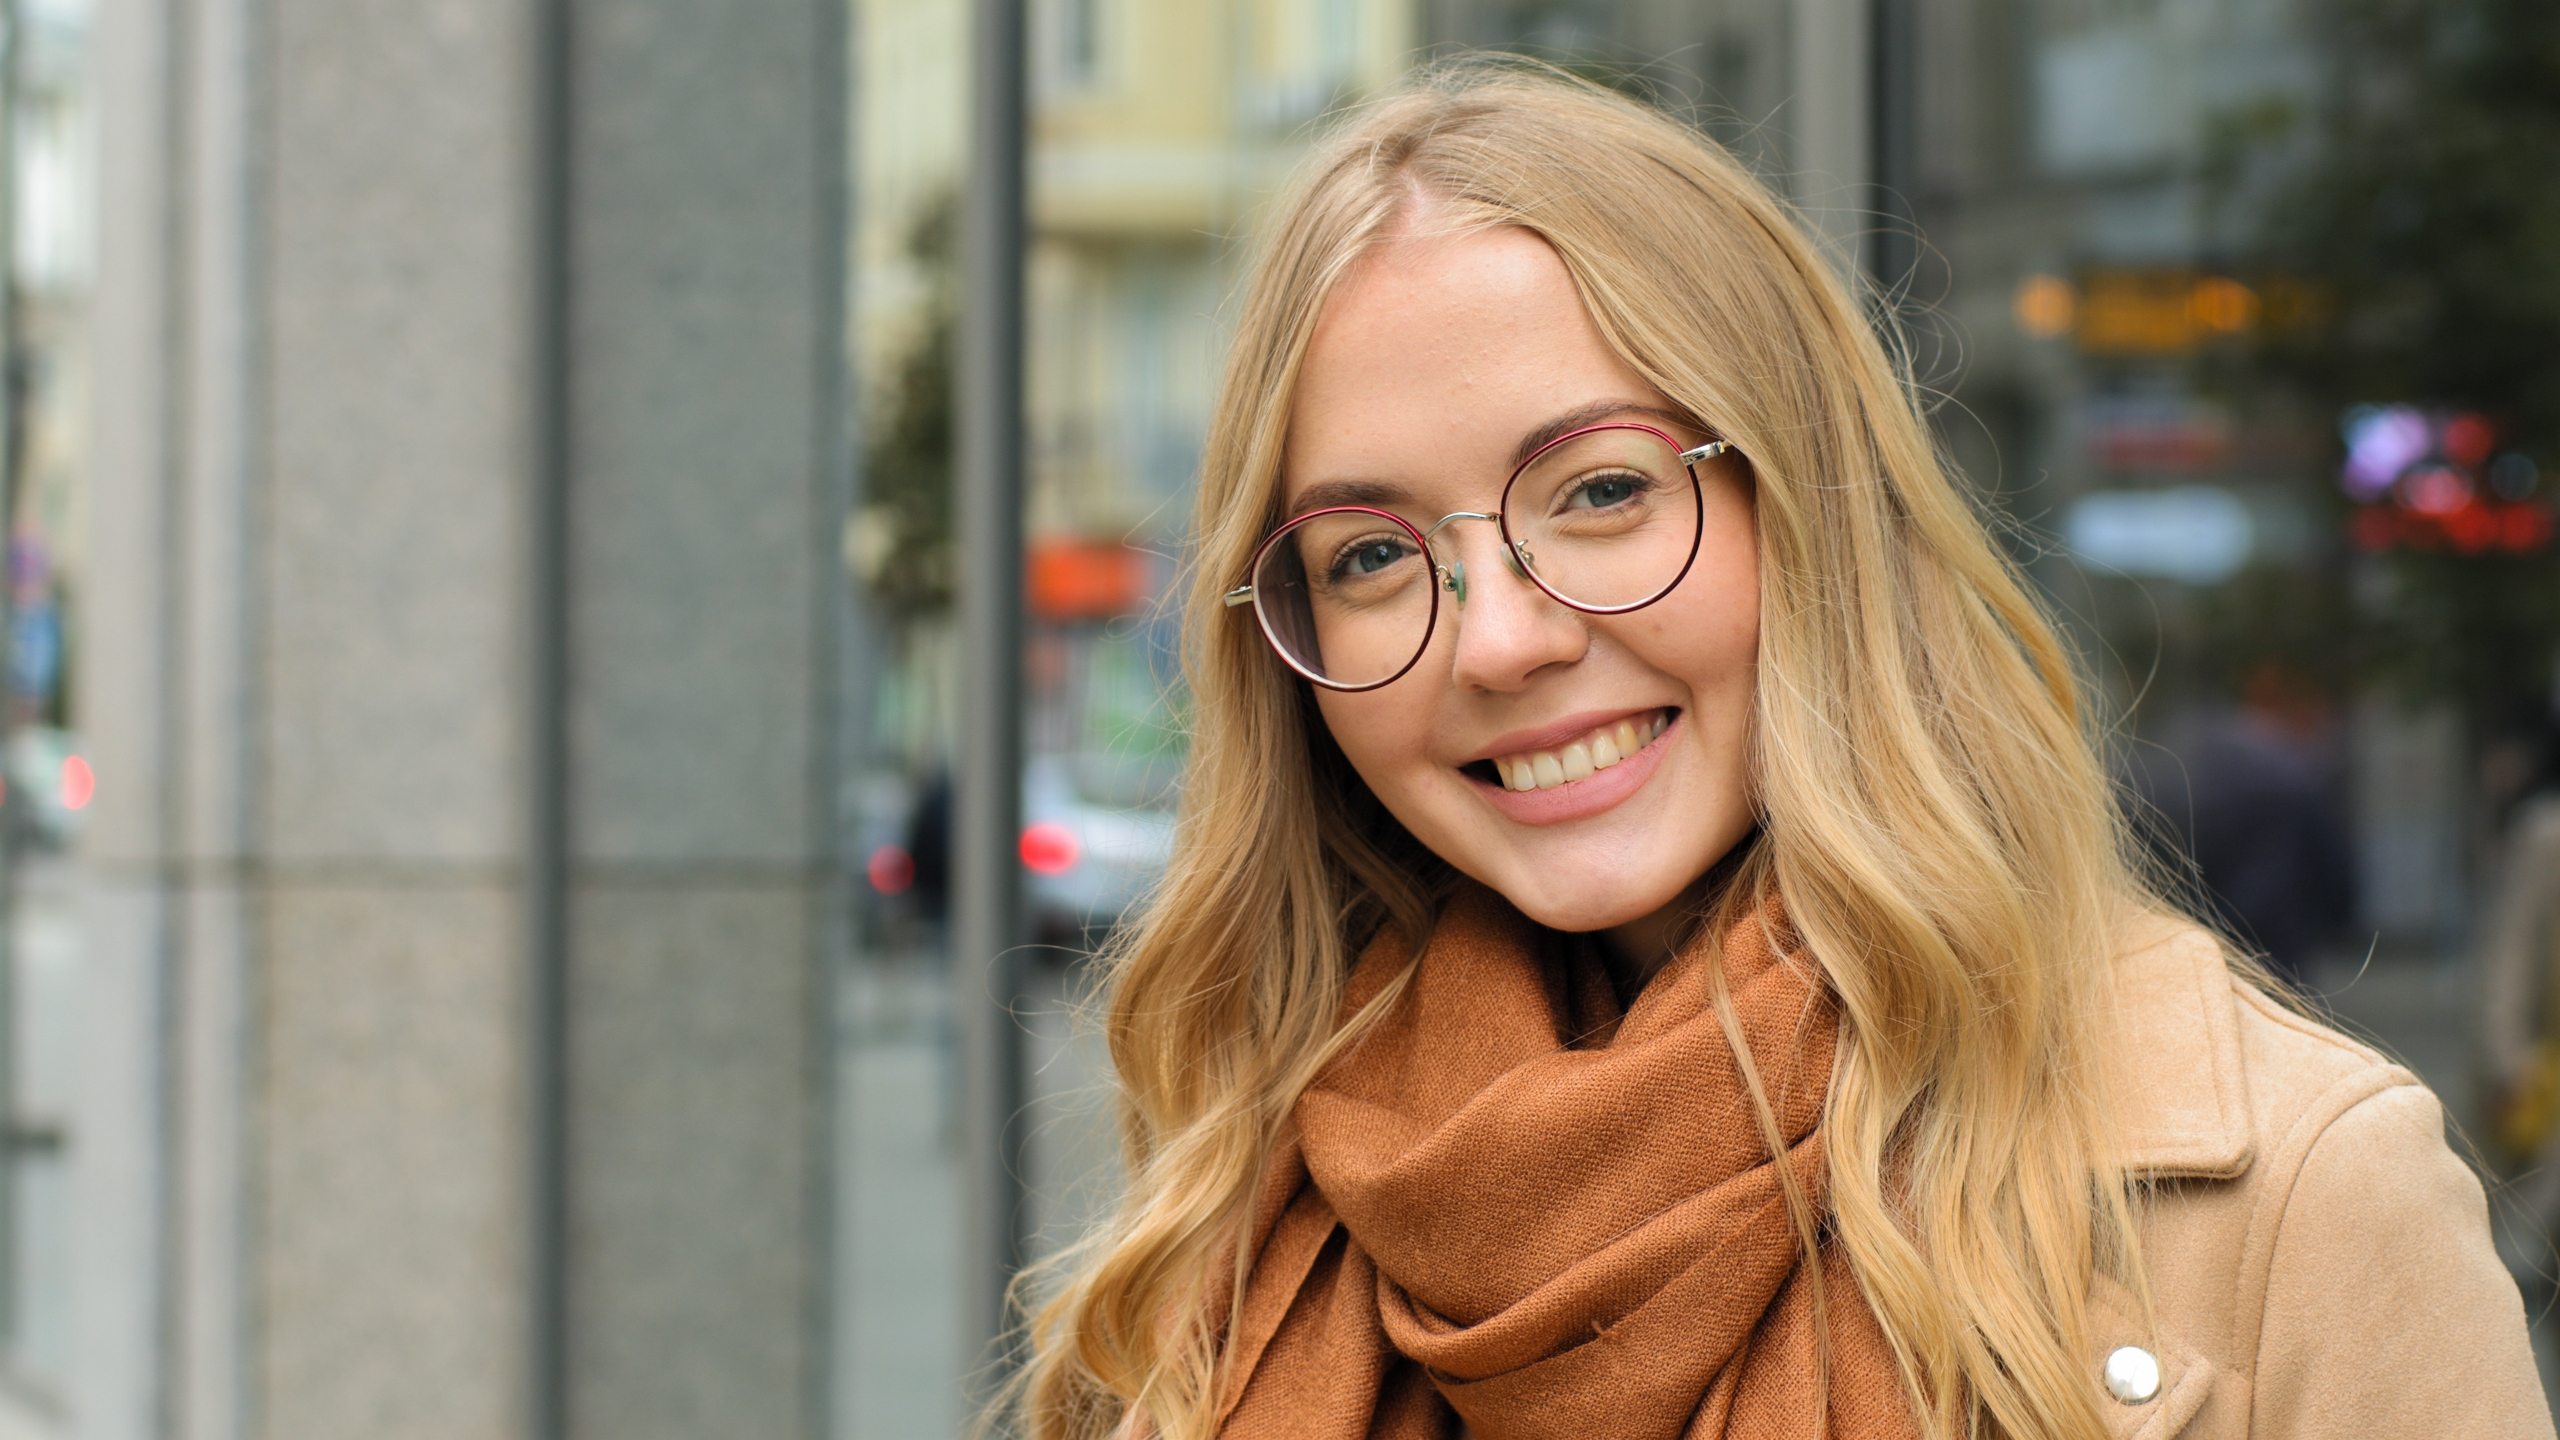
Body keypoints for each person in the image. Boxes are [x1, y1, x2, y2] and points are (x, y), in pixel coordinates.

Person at [1018, 66, 2550, 1440]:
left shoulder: (2303, 1200)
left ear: (1808, 502)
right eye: (1367, 557)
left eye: (1604, 491)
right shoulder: (1242, 1227)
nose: (1497, 640)